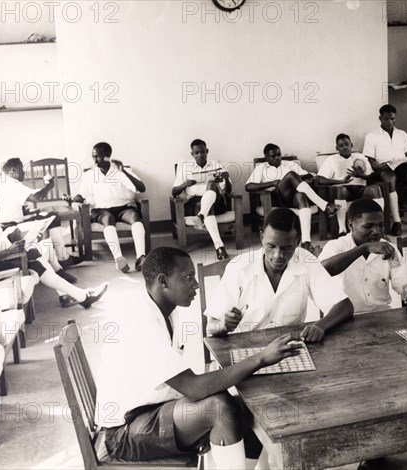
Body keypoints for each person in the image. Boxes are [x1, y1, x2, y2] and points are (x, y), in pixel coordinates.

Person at [96, 246, 302, 468]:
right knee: (220, 408)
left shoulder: (166, 310)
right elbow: (193, 387)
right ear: (163, 281)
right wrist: (261, 358)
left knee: (246, 407)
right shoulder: (142, 322)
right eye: (188, 277)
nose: (195, 284)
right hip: (122, 434)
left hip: (150, 411)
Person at [205, 208, 354, 340]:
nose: (278, 255)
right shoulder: (239, 267)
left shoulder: (305, 260)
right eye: (271, 246)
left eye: (286, 248)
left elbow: (344, 306)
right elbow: (211, 326)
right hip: (246, 347)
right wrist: (223, 325)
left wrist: (320, 325)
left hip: (289, 346)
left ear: (297, 241)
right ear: (262, 237)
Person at [0, 185, 108, 309]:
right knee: (34, 260)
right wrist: (9, 251)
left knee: (34, 252)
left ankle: (76, 296)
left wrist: (23, 239)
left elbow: (0, 245)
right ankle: (79, 296)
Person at [319, 199, 407, 314]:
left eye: (381, 225)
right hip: (342, 319)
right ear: (351, 225)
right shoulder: (336, 246)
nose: (376, 231)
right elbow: (322, 270)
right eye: (368, 226)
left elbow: (403, 283)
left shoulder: (389, 249)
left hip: (381, 316)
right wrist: (364, 248)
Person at [0, 157, 82, 282]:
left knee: (51, 216)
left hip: (11, 223)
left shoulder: (3, 182)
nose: (24, 173)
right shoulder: (11, 183)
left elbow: (16, 204)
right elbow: (36, 197)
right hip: (8, 228)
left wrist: (28, 212)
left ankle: (63, 259)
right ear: (13, 170)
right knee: (50, 218)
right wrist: (49, 186)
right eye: (22, 169)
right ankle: (61, 261)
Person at [64, 142, 147, 273]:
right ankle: (119, 259)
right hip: (101, 211)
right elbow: (81, 195)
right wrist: (73, 198)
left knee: (135, 217)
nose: (95, 160)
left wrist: (124, 170)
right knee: (108, 219)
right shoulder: (90, 174)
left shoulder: (121, 171)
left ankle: (141, 257)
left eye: (98, 156)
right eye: (93, 157)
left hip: (123, 208)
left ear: (107, 156)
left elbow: (141, 188)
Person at [245, 143, 339, 255]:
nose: (277, 158)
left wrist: (306, 179)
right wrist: (272, 183)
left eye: (279, 155)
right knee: (291, 175)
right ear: (266, 158)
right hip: (274, 198)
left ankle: (306, 243)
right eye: (273, 156)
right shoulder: (261, 168)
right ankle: (325, 205)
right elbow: (248, 186)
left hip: (291, 198)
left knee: (301, 195)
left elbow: (307, 176)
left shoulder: (289, 164)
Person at [363, 104, 407, 236]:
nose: (390, 122)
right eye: (386, 119)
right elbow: (370, 160)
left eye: (393, 119)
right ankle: (397, 222)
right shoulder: (372, 136)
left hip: (402, 167)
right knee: (391, 179)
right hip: (384, 169)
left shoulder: (402, 134)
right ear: (380, 118)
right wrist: (378, 166)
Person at [171, 139, 232, 260]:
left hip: (217, 202)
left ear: (207, 151)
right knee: (202, 205)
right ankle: (219, 247)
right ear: (192, 154)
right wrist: (185, 184)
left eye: (203, 152)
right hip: (195, 203)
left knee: (212, 184)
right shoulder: (185, 167)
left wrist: (226, 179)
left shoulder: (217, 165)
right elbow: (174, 192)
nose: (200, 155)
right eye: (197, 153)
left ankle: (200, 217)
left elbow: (229, 191)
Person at [316, 134, 384, 235]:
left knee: (375, 189)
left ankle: (380, 228)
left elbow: (373, 177)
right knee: (341, 190)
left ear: (351, 144)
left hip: (361, 189)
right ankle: (342, 230)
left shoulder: (360, 157)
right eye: (341, 145)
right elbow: (320, 179)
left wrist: (360, 175)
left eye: (347, 144)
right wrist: (341, 182)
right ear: (337, 148)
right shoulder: (332, 160)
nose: (345, 147)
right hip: (344, 190)